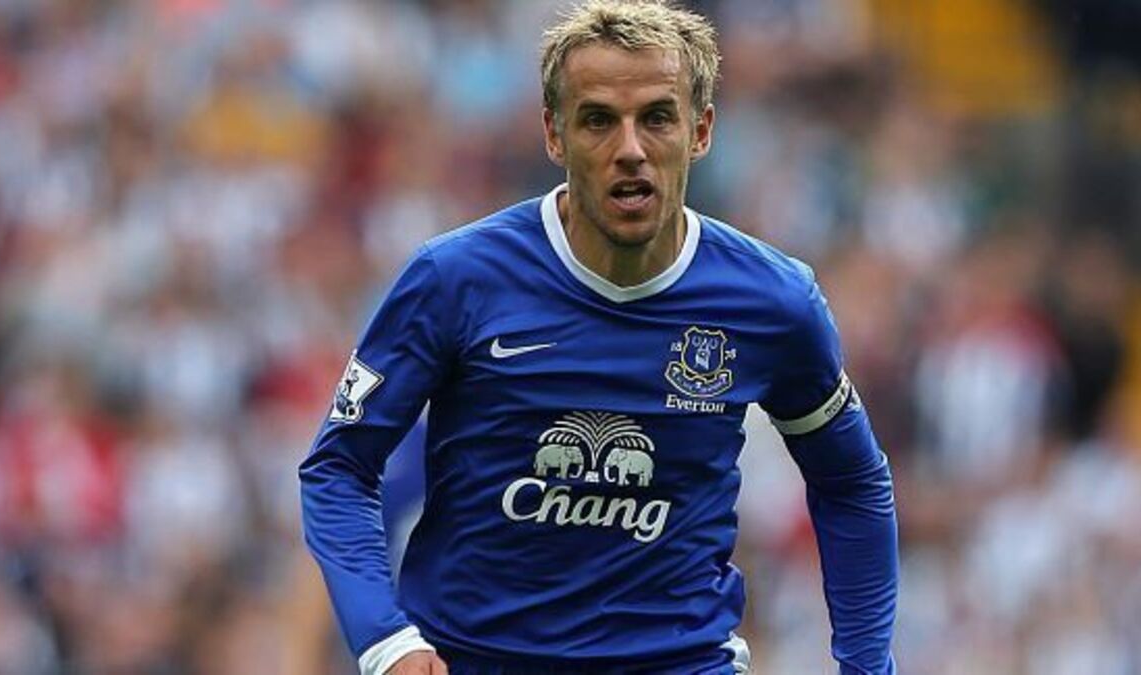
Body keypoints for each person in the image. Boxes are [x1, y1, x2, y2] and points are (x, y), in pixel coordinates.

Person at [299, 1, 899, 673]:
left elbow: (852, 482)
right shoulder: (455, 279)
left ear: (701, 131)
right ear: (554, 135)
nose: (631, 149)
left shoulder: (773, 302)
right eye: (598, 121)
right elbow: (339, 467)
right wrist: (386, 639)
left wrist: (866, 666)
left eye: (658, 117)